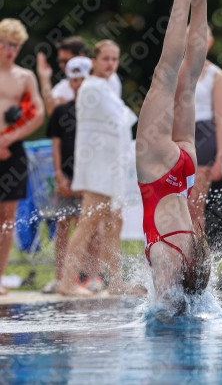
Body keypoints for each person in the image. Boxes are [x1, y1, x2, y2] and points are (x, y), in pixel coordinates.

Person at [136, 0, 212, 310]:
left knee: (189, 79)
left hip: (185, 172)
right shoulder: (170, 261)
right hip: (158, 173)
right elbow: (167, 316)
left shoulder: (196, 260)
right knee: (165, 75)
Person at [58, 40, 138, 296]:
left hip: (110, 167)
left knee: (115, 222)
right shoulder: (92, 87)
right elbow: (123, 117)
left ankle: (115, 283)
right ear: (94, 60)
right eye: (106, 58)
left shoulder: (105, 86)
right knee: (88, 223)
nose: (111, 64)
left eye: (115, 59)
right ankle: (66, 282)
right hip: (97, 169)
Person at [42, 56, 102, 294]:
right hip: (66, 177)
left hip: (89, 179)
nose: (77, 83)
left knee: (92, 228)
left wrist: (87, 181)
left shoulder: (96, 110)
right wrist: (59, 175)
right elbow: (56, 145)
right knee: (63, 225)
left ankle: (94, 275)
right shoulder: (61, 111)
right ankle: (62, 275)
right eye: (73, 79)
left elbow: (98, 145)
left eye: (81, 78)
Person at [0, 18, 44, 295]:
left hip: (11, 148)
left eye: (15, 45)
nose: (10, 50)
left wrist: (9, 138)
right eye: (5, 44)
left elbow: (38, 113)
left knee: (7, 217)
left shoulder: (24, 77)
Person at [188, 27, 222, 233]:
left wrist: (220, 156)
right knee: (177, 204)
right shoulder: (176, 71)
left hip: (203, 135)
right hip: (180, 134)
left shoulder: (216, 75)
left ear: (209, 43)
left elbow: (220, 118)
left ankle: (197, 260)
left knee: (195, 206)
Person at [37, 36, 122, 115]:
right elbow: (52, 110)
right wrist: (44, 79)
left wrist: (67, 102)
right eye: (60, 61)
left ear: (81, 57)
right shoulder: (66, 83)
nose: (61, 65)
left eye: (65, 61)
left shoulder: (109, 77)